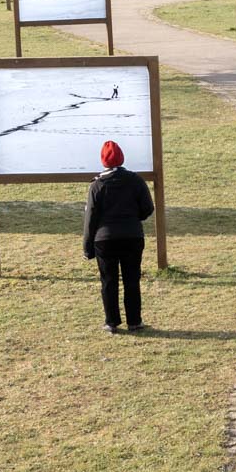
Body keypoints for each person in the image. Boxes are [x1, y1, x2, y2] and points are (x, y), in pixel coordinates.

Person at [84, 140, 155, 333]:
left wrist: (87, 247)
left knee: (109, 280)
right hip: (132, 236)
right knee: (132, 279)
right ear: (122, 158)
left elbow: (91, 218)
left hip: (104, 239)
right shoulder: (136, 180)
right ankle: (134, 321)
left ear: (103, 161)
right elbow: (148, 208)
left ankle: (112, 322)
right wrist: (134, 219)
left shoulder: (97, 185)